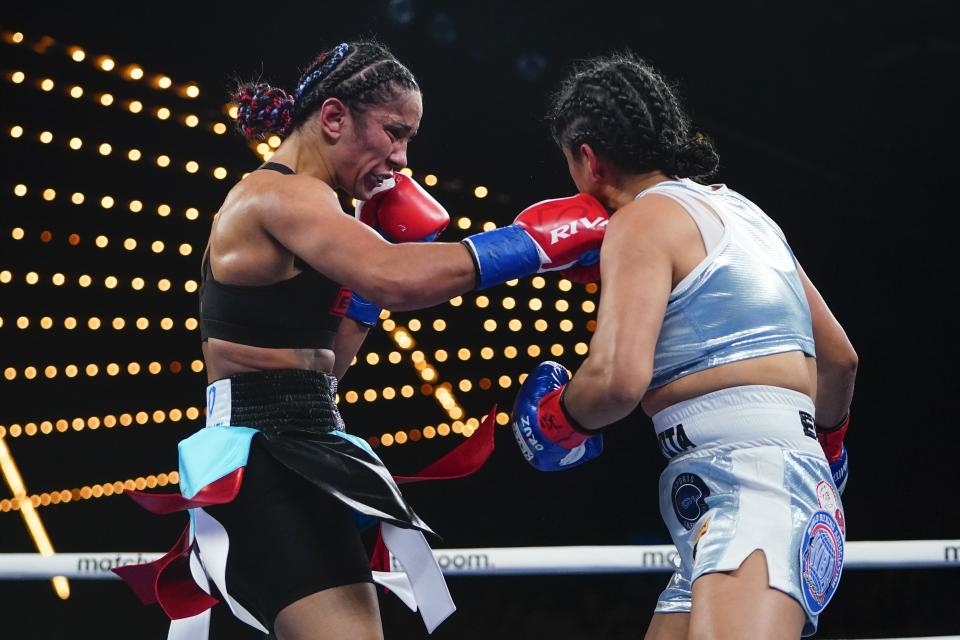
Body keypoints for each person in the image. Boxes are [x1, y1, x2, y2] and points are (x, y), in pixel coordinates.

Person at [112, 40, 609, 640]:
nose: (402, 158)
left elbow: (327, 368)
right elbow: (396, 279)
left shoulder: (327, 210)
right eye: (394, 132)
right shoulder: (279, 194)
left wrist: (362, 294)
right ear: (333, 117)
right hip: (261, 456)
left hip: (307, 441)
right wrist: (530, 243)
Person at [511, 53, 856, 639]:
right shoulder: (747, 214)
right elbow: (841, 358)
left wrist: (557, 417)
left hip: (757, 491)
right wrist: (825, 444)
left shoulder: (642, 222)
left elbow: (617, 381)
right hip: (740, 498)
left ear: (587, 158)